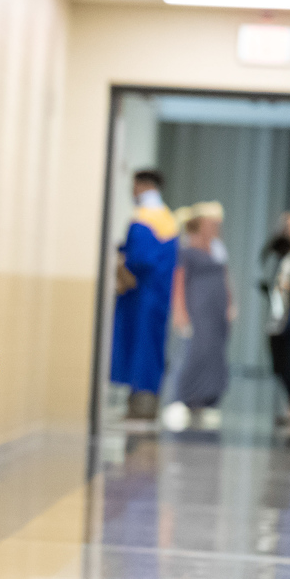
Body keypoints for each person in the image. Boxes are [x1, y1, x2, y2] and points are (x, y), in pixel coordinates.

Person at [110, 170, 180, 420]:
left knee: (139, 345)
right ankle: (145, 399)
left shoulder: (144, 220)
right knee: (152, 345)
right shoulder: (167, 220)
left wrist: (122, 260)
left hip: (141, 298)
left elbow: (139, 260)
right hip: (157, 297)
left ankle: (140, 403)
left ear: (142, 186)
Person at [162, 202, 231, 431]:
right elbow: (179, 280)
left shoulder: (218, 249)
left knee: (214, 353)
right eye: (212, 224)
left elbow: (226, 278)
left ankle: (206, 400)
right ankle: (179, 398)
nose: (216, 228)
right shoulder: (186, 249)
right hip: (197, 308)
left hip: (216, 309)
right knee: (193, 351)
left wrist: (230, 303)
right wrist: (180, 311)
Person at [260, 211, 290, 422]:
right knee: (281, 365)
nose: (288, 229)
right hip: (279, 317)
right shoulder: (287, 252)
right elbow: (267, 253)